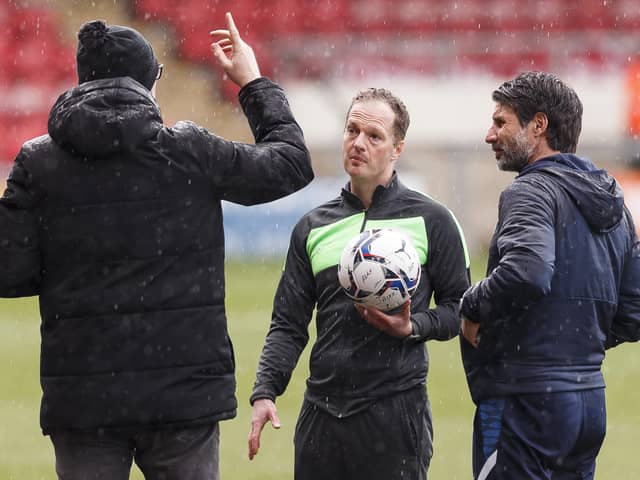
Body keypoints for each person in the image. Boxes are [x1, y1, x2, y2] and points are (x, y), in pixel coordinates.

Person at [0, 12, 313, 480]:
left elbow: (9, 274)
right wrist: (251, 81)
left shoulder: (38, 162)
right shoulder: (189, 150)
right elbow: (290, 165)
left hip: (84, 402)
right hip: (183, 397)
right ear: (148, 82)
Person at [248, 87, 471, 480]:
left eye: (374, 136)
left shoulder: (432, 220)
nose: (358, 143)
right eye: (352, 131)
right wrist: (266, 390)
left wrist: (413, 327)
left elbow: (459, 311)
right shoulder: (313, 227)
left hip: (395, 411)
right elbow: (288, 323)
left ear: (397, 148)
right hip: (322, 414)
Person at [460, 71, 640, 480]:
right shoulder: (614, 199)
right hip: (588, 404)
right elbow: (634, 310)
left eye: (501, 122)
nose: (490, 134)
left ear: (538, 126)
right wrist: (574, 344)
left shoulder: (531, 191)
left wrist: (471, 306)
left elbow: (527, 270)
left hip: (526, 402)